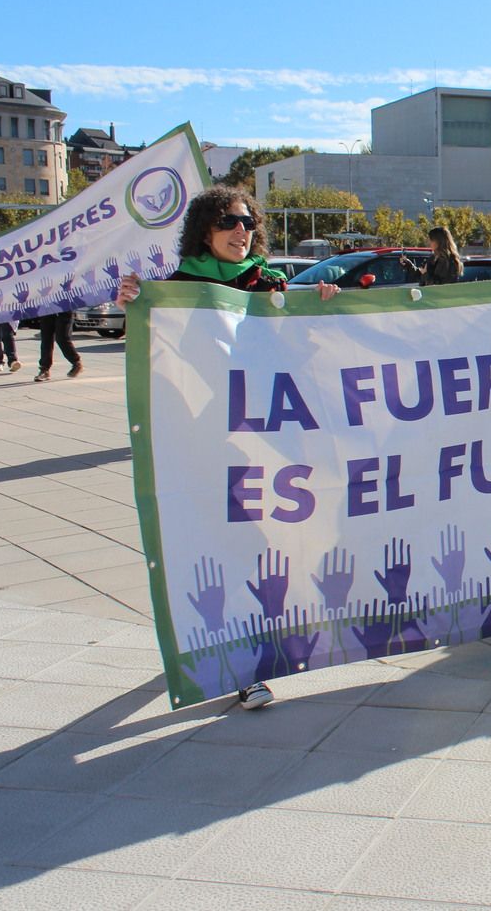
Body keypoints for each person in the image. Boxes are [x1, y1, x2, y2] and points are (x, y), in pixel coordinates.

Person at [117, 186, 339, 709]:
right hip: (203, 444)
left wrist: (320, 311)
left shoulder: (272, 285)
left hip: (266, 444)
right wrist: (133, 303)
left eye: (246, 222)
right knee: (218, 550)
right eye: (227, 223)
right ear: (204, 232)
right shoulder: (176, 290)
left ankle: (246, 659)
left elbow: (301, 353)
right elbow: (154, 353)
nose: (240, 231)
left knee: (263, 551)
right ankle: (235, 664)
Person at [33, 311, 82, 381]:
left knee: (62, 339)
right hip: (47, 310)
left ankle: (76, 363)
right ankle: (44, 370)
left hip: (64, 310)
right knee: (46, 339)